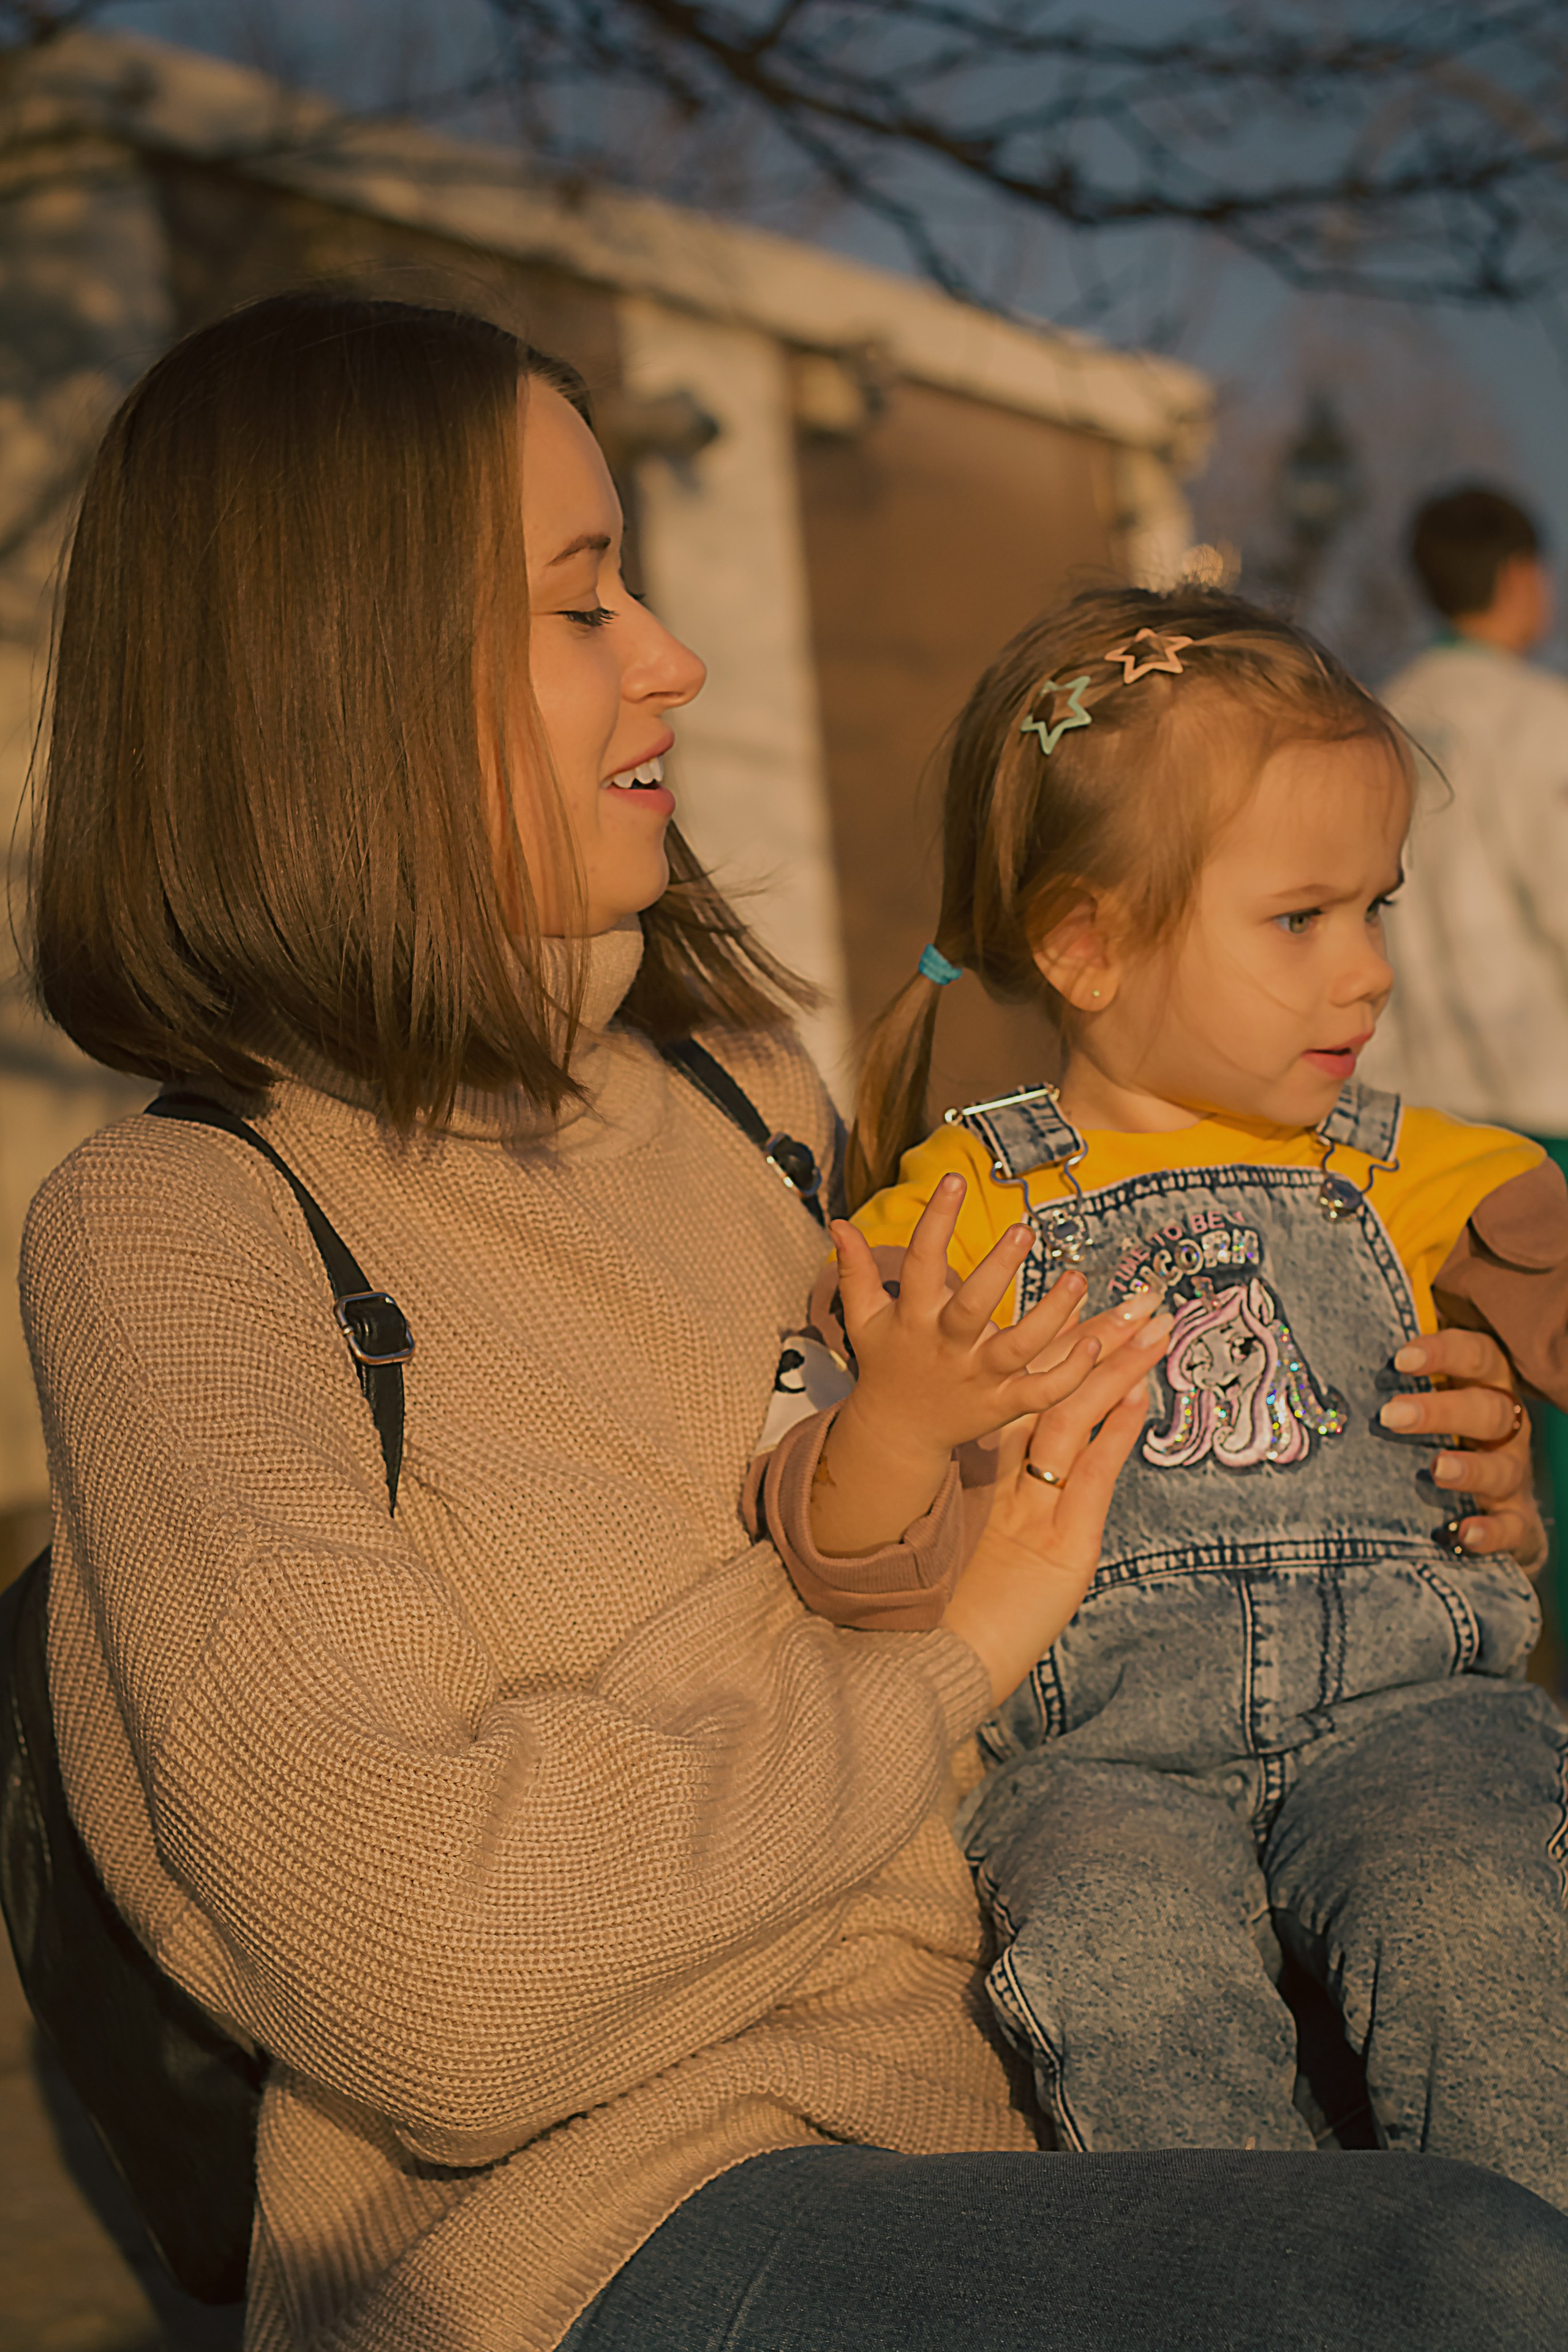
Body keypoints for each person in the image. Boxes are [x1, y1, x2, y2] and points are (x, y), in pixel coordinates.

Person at [16, 296, 1567, 2352]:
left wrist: (1390, 1479)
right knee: (1457, 2290)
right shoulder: (182, 1226)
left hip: (1031, 2075)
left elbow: (981, 1517)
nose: (676, 655)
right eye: (583, 605)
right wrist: (959, 1652)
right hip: (610, 2221)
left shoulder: (740, 1087)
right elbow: (449, 1987)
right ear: (343, 674)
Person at [751, 586, 1568, 2203]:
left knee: (1484, 1908)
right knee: (1121, 1973)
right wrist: (900, 1426)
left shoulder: (1406, 1163)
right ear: (1089, 944)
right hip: (1103, 1757)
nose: (1369, 974)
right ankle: (1252, 2293)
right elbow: (829, 1536)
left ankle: (1515, 2273)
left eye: (1377, 909)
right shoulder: (960, 1207)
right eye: (1300, 920)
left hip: (1413, 1712)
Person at [1363, 484, 1568, 1643]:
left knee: (1457, 1422)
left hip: (1414, 1132)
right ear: (1525, 580)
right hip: (1541, 1121)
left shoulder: (1376, 723)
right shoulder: (1539, 722)